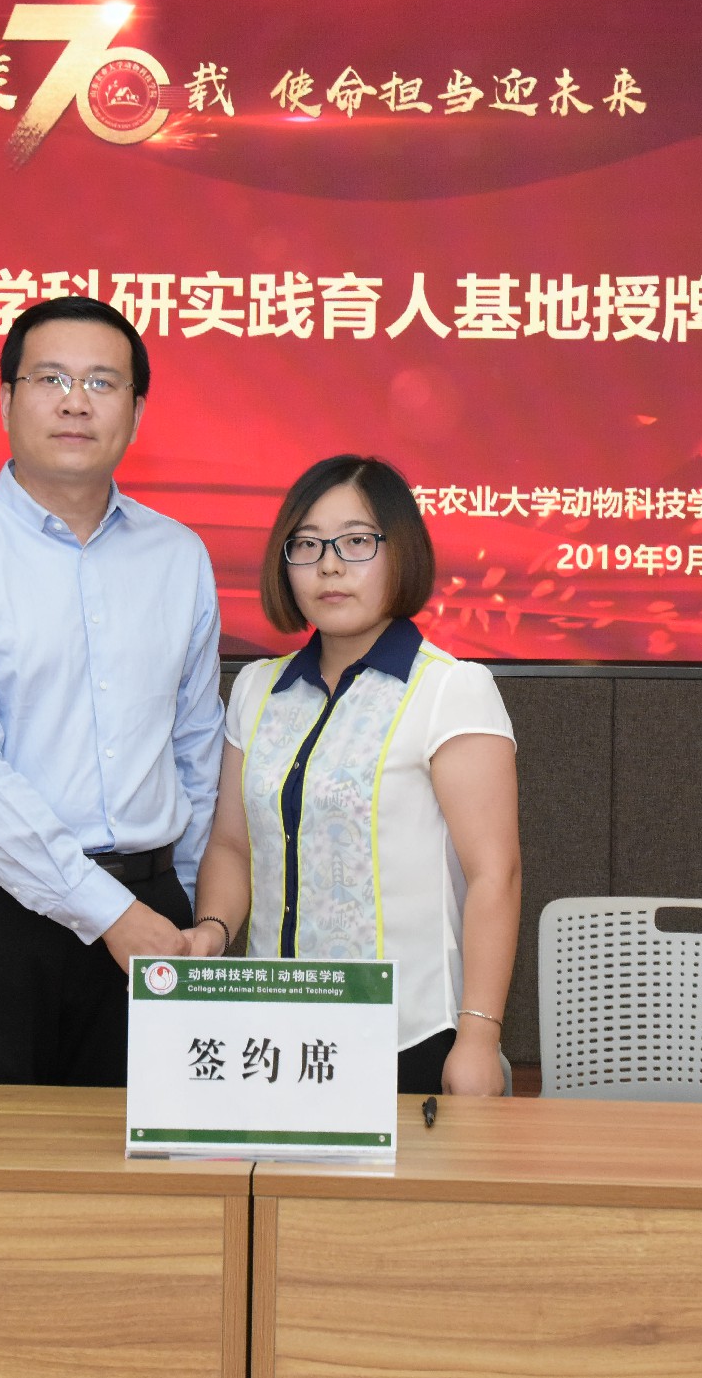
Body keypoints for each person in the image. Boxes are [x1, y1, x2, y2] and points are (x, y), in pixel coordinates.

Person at [0, 296, 222, 1087]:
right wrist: (109, 913)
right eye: (51, 378)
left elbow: (197, 750)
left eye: (103, 382)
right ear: (6, 399)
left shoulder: (179, 556)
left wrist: (192, 910)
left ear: (137, 412)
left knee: (151, 1163)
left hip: (152, 916)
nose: (77, 401)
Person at [188, 456, 521, 1096]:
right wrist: (213, 930)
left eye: (356, 542)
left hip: (407, 1037)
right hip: (275, 1036)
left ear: (402, 552)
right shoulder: (257, 689)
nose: (329, 566)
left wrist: (479, 1038)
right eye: (307, 545)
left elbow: (494, 875)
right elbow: (232, 845)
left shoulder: (450, 689)